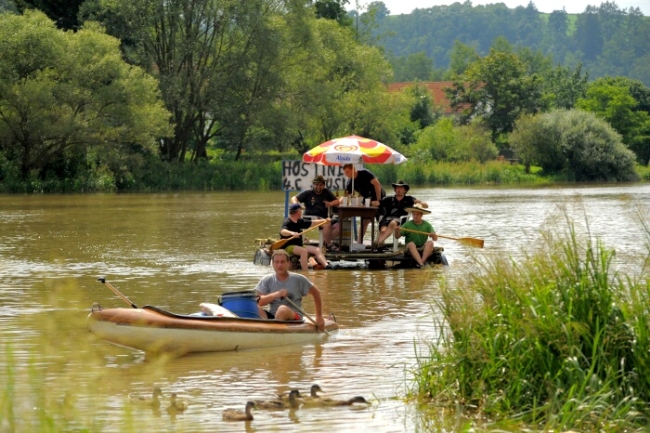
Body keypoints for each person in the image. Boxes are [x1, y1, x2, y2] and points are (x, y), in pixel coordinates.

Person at [255, 249, 325, 330]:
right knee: (253, 306)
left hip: (294, 318)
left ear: (288, 263)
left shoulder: (298, 279)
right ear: (273, 264)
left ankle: (273, 331)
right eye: (277, 262)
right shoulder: (267, 279)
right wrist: (277, 294)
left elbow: (316, 293)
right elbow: (258, 301)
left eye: (282, 262)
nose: (279, 265)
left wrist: (319, 317)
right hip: (272, 317)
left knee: (282, 309)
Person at [291, 175, 340, 250]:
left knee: (339, 226)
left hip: (322, 217)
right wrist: (297, 205)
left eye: (320, 185)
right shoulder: (308, 192)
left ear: (324, 185)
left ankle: (325, 242)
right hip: (309, 217)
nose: (318, 187)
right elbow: (294, 198)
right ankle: (329, 244)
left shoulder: (326, 192)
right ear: (313, 184)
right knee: (327, 222)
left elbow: (337, 201)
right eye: (316, 184)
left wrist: (330, 204)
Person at [375, 180, 428, 246]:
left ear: (405, 190)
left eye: (401, 188)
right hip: (386, 219)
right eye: (397, 188)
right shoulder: (388, 199)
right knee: (383, 230)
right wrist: (369, 203)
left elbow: (426, 206)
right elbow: (378, 203)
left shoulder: (409, 199)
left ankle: (379, 242)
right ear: (395, 189)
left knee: (393, 223)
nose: (398, 190)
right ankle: (380, 245)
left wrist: (420, 202)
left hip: (400, 220)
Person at [280, 203, 330, 270]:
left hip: (299, 245)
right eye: (301, 210)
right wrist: (292, 233)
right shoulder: (287, 221)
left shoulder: (300, 221)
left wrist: (324, 220)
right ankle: (305, 272)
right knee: (303, 251)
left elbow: (313, 223)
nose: (302, 212)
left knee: (317, 250)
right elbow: (282, 231)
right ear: (298, 212)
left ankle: (326, 266)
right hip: (288, 246)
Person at [342, 164, 385, 242]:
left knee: (382, 220)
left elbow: (377, 184)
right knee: (365, 221)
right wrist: (338, 201)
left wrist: (379, 201)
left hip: (379, 196)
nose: (346, 174)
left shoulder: (365, 173)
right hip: (367, 199)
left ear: (353, 169)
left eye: (348, 172)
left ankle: (380, 242)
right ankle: (359, 242)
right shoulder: (350, 182)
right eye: (345, 173)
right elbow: (346, 195)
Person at [396, 203, 438, 268]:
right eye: (414, 214)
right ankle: (421, 264)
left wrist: (433, 235)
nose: (415, 216)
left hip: (422, 247)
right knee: (411, 244)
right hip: (410, 248)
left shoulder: (427, 225)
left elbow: (435, 239)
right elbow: (397, 236)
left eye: (418, 214)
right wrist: (397, 230)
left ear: (421, 215)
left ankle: (421, 262)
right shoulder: (407, 224)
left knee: (430, 243)